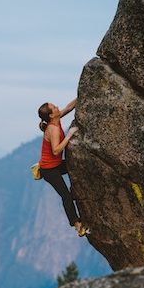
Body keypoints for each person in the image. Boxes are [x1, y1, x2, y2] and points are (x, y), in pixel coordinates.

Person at [37, 99, 88, 237]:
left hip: (55, 165)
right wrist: (70, 134)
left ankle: (76, 193)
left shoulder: (55, 120)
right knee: (65, 196)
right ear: (51, 115)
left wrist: (81, 95)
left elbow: (69, 107)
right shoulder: (52, 129)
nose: (57, 107)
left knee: (76, 166)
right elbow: (56, 151)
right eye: (54, 107)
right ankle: (77, 225)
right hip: (49, 170)